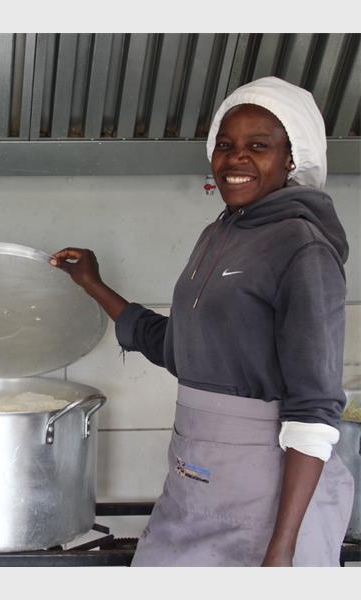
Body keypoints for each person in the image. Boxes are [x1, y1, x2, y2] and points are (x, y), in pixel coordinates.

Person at [51, 77, 354, 566]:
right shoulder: (220, 234)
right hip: (195, 479)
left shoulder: (303, 247)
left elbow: (314, 407)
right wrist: (93, 284)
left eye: (259, 146)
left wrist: (283, 549)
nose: (236, 159)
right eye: (226, 146)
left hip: (265, 497)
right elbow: (178, 347)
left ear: (291, 159)